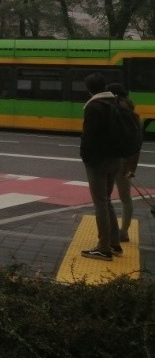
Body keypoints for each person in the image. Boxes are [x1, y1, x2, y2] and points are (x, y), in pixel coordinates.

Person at [79, 73, 122, 260]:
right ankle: (114, 243)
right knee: (107, 200)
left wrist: (86, 157)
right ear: (105, 86)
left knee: (100, 203)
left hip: (98, 161)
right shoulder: (116, 103)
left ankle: (103, 247)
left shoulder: (94, 106)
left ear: (89, 89)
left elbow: (89, 136)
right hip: (115, 159)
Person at [107, 83, 140, 242]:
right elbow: (137, 142)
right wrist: (132, 166)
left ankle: (108, 232)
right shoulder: (132, 113)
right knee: (126, 198)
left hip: (113, 158)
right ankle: (124, 232)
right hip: (127, 160)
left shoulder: (115, 110)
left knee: (104, 197)